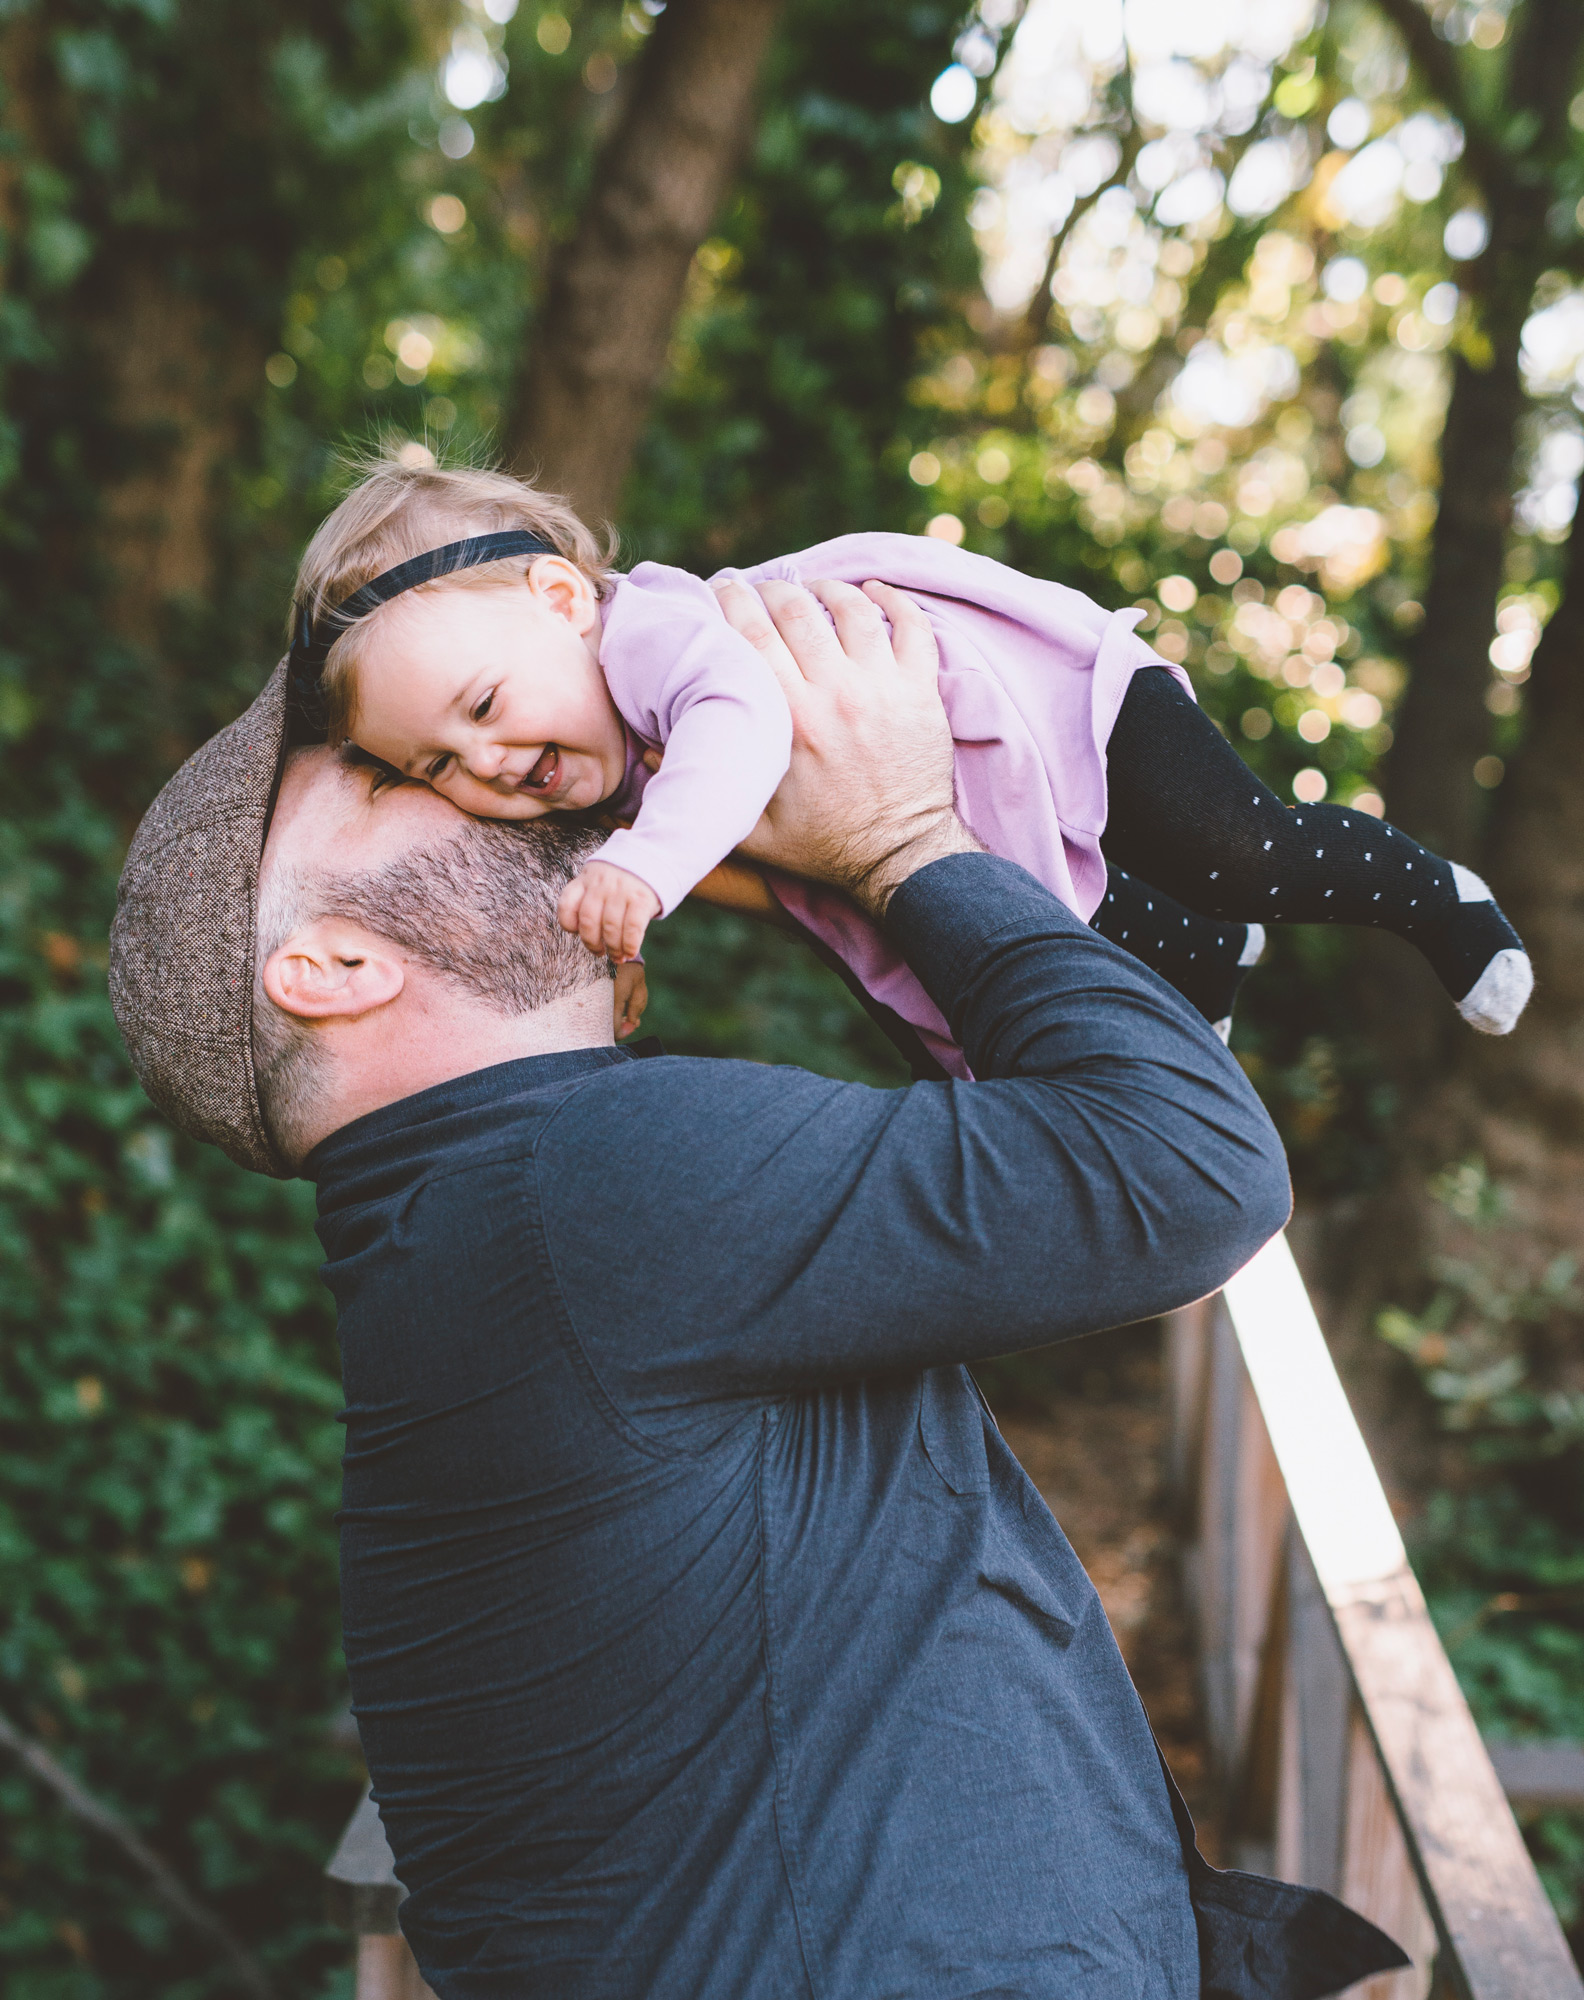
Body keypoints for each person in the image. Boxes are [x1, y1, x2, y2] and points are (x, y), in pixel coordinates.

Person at [109, 578, 1404, 1999]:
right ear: (333, 966)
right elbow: (1187, 1168)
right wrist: (907, 841)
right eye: (382, 779)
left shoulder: (495, 1215)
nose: (471, 782)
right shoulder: (583, 1185)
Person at [282, 456, 1531, 1076]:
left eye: (484, 705)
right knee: (1017, 941)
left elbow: (740, 726)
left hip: (1055, 706)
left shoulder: (651, 633)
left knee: (1237, 847)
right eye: (437, 764)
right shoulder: (589, 749)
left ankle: (1437, 896)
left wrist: (648, 865)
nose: (488, 760)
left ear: (562, 597)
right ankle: (1201, 956)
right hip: (968, 794)